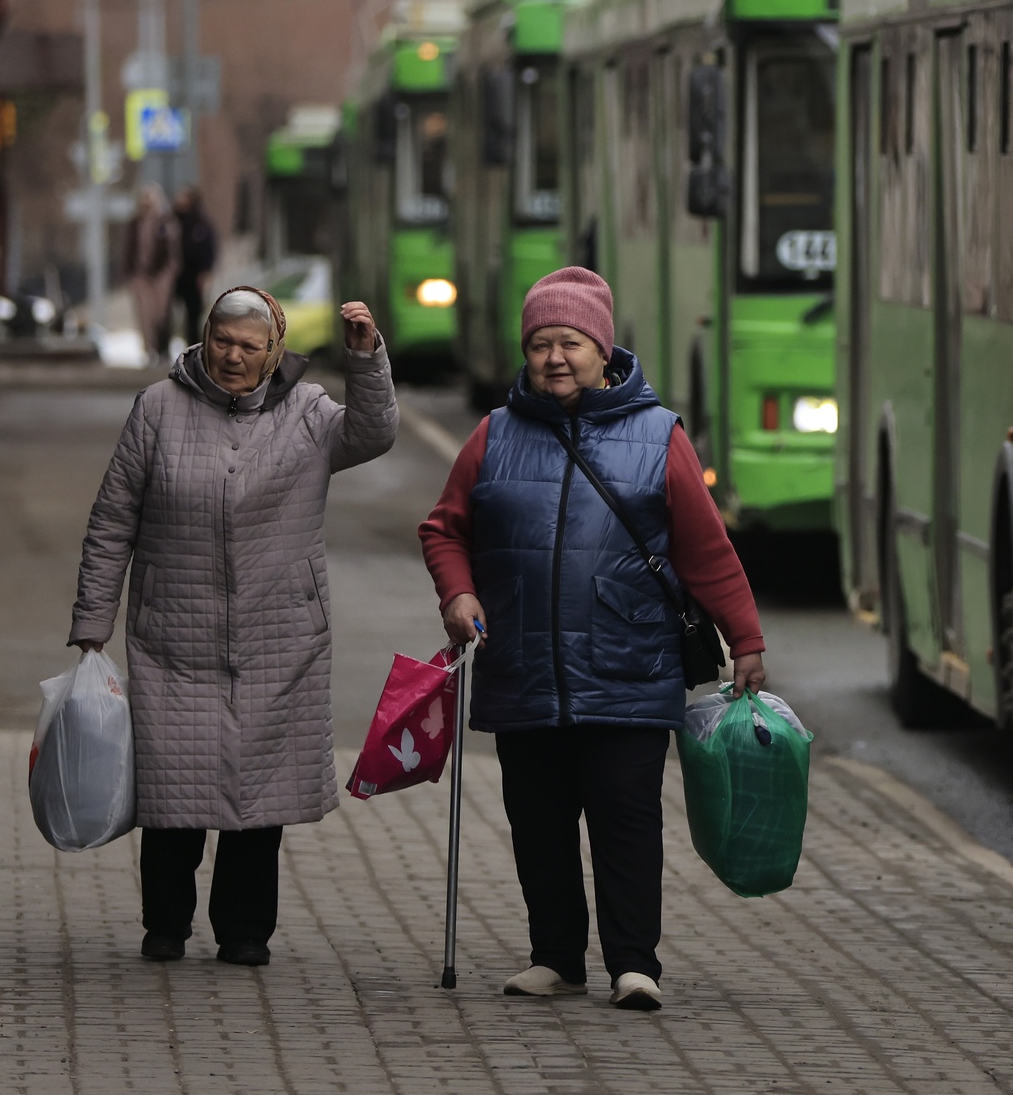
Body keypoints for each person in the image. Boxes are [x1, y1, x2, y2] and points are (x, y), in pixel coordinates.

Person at [418, 265, 765, 1010]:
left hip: (631, 666)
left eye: (569, 342)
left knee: (626, 822)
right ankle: (556, 958)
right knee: (538, 824)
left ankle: (635, 964)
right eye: (540, 344)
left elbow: (707, 551)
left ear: (602, 350)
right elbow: (445, 529)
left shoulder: (657, 434)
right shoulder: (495, 435)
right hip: (525, 670)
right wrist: (459, 592)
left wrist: (748, 641)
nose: (554, 359)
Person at [69, 286, 397, 966]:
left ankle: (245, 931)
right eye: (223, 339)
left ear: (273, 351)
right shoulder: (158, 408)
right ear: (204, 337)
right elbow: (112, 520)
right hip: (173, 635)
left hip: (280, 635)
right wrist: (92, 620)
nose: (233, 356)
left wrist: (365, 360)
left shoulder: (307, 411)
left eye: (250, 346)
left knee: (259, 794)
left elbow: (372, 433)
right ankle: (166, 924)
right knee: (172, 794)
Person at [122, 184, 181, 360]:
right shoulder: (135, 223)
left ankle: (162, 347)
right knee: (143, 314)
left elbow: (170, 248)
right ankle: (149, 349)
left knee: (160, 313)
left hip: (160, 273)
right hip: (139, 274)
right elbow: (129, 248)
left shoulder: (165, 221)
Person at [171, 186, 219, 352]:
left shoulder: (201, 225)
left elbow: (209, 250)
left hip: (193, 275)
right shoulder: (172, 223)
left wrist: (205, 272)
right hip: (173, 275)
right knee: (167, 314)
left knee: (193, 314)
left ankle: (192, 348)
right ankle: (163, 347)